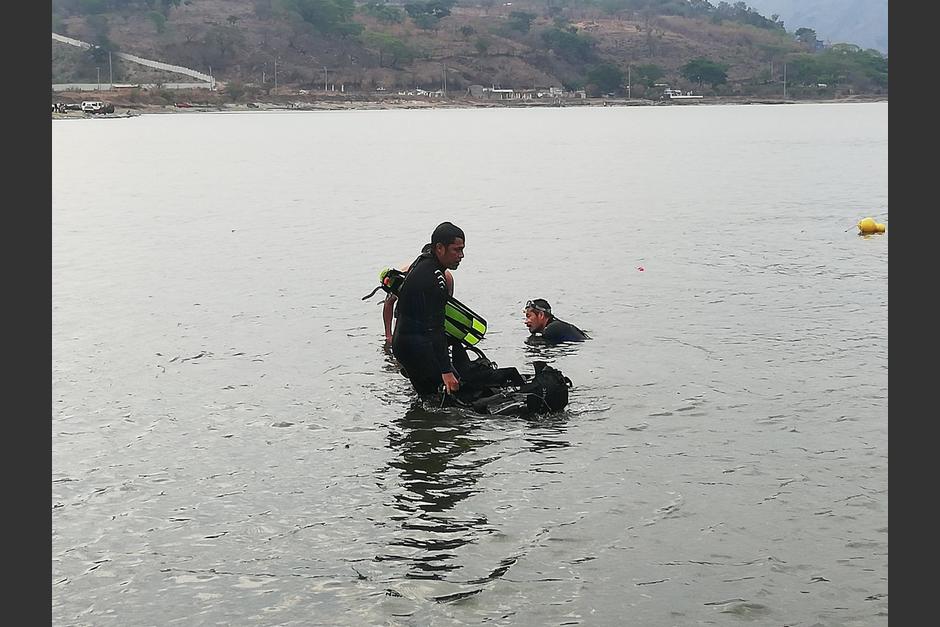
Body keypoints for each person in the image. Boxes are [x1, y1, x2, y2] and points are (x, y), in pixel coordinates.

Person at [391, 222, 466, 395]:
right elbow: (436, 328)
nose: (461, 255)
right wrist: (446, 371)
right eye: (456, 249)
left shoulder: (423, 262)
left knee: (428, 399)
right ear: (439, 248)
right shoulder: (434, 280)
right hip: (415, 346)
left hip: (404, 343)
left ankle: (419, 421)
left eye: (462, 249)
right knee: (452, 392)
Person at [384, 265, 453, 348]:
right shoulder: (402, 280)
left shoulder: (446, 279)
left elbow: (445, 308)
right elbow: (389, 303)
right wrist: (388, 335)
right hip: (406, 305)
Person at [523, 298, 589, 344]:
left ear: (541, 315)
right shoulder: (556, 325)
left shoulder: (553, 328)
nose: (526, 321)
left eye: (529, 316)